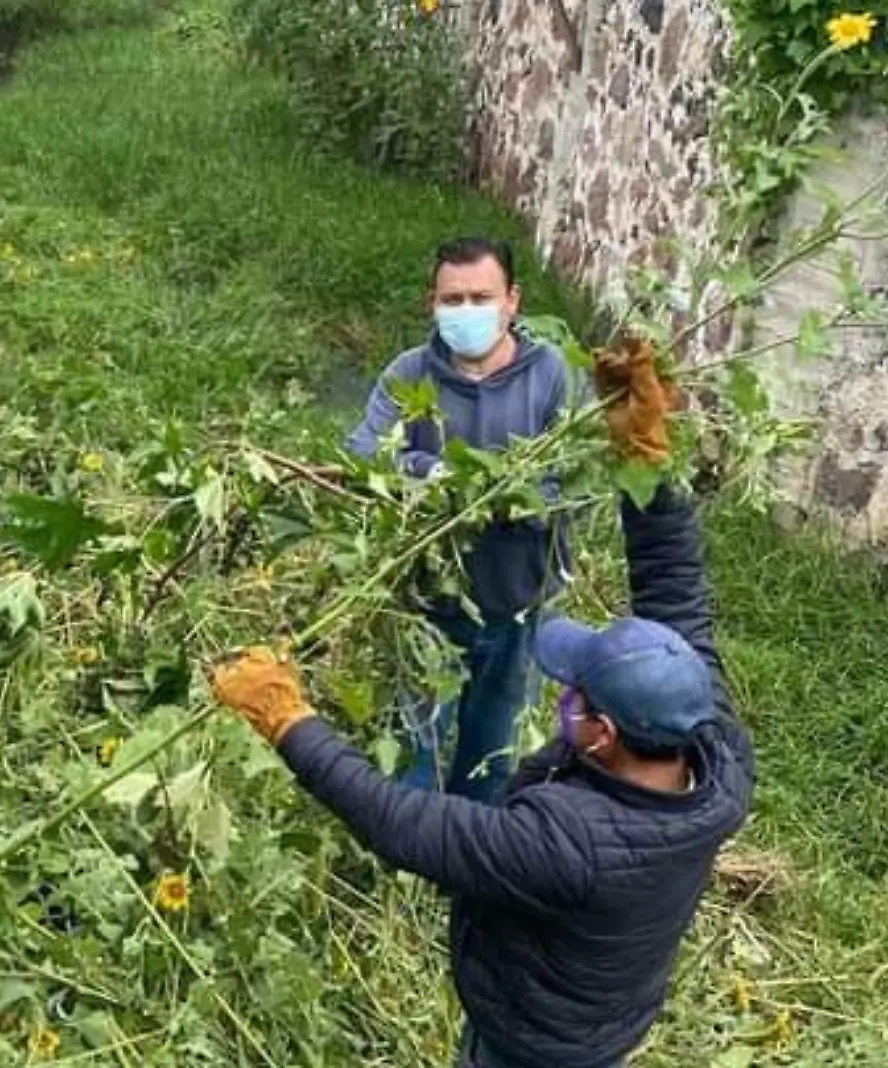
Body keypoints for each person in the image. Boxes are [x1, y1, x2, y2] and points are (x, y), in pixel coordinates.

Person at [212, 334, 754, 1068]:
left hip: (534, 1039)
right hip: (598, 1007)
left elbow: (404, 825)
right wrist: (646, 459)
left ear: (599, 733)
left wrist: (287, 719)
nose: (562, 696)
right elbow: (674, 589)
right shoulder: (712, 741)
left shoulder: (570, 844)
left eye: (576, 695)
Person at [345, 237, 574, 802]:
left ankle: (473, 865)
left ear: (512, 301)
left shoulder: (549, 374)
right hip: (429, 604)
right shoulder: (409, 374)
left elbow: (571, 473)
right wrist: (448, 477)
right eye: (453, 299)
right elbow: (365, 453)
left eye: (481, 297)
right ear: (433, 303)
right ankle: (408, 860)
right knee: (413, 749)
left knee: (492, 754)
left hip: (520, 601)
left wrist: (506, 495)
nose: (466, 311)